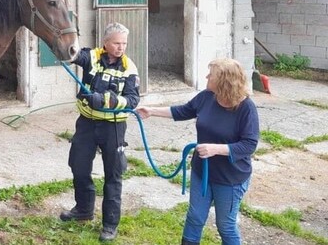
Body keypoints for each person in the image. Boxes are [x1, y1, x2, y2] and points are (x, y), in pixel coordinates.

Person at [136, 58, 259, 245]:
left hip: (230, 178)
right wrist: (151, 111)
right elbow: (183, 111)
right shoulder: (207, 97)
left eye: (211, 75)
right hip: (202, 172)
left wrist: (215, 149)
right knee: (195, 217)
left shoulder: (246, 108)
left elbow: (249, 145)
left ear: (224, 81)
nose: (206, 77)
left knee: (225, 224)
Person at [58, 22, 140, 242]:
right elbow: (74, 55)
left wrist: (107, 100)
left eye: (124, 43)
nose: (120, 47)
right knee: (79, 166)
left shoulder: (129, 68)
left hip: (113, 128)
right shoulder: (92, 56)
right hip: (86, 123)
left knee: (113, 176)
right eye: (116, 43)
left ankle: (110, 225)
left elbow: (133, 100)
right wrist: (60, 41)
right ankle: (84, 209)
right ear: (105, 42)